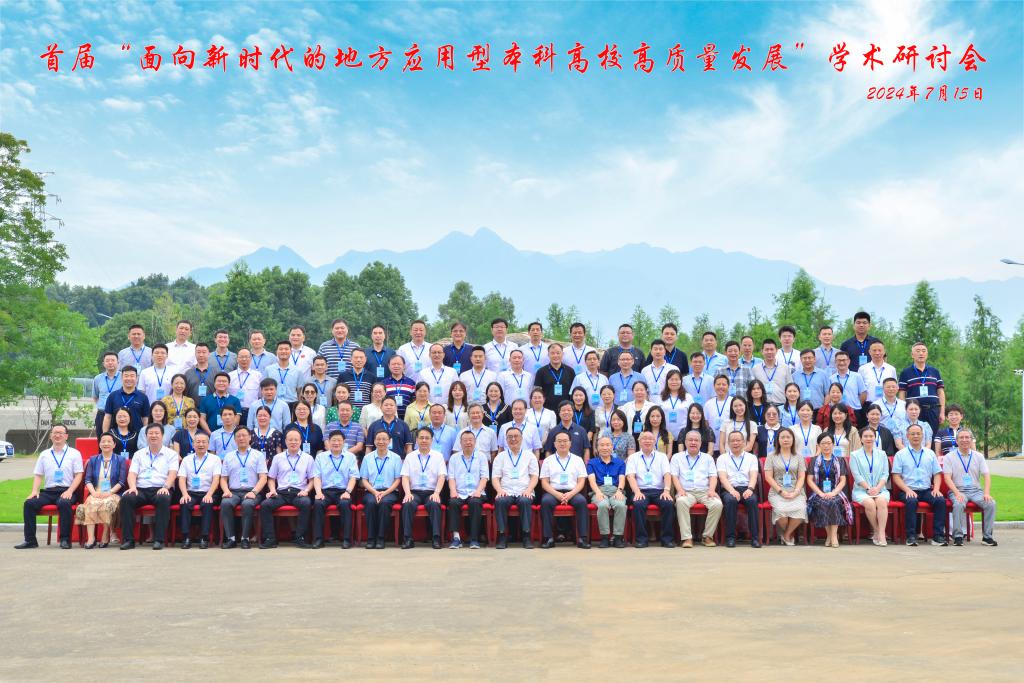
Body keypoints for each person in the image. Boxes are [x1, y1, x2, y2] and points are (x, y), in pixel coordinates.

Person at [15, 425, 83, 550]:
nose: (57, 435)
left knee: (64, 503)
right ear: (50, 435)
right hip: (49, 492)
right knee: (29, 503)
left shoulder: (74, 453)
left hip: (67, 490)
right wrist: (34, 491)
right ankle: (30, 540)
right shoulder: (44, 454)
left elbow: (79, 474)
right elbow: (38, 474)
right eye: (55, 432)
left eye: (61, 433)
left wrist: (70, 491)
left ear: (66, 436)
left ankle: (65, 539)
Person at [119, 423, 178, 550]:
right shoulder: (139, 454)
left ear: (162, 436)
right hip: (141, 489)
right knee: (127, 498)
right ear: (146, 436)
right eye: (150, 433)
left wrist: (166, 487)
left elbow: (173, 473)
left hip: (161, 488)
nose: (153, 436)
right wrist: (132, 487)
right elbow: (132, 473)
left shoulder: (171, 454)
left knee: (163, 498)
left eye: (157, 433)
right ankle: (128, 540)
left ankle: (159, 540)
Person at [892, 424, 948, 547]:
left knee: (940, 500)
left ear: (922, 435)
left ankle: (938, 536)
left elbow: (937, 474)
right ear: (907, 436)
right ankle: (911, 536)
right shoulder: (900, 454)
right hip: (907, 489)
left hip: (926, 490)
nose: (916, 436)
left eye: (918, 433)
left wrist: (936, 489)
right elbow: (896, 476)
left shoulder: (930, 453)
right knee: (911, 501)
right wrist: (907, 490)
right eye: (912, 434)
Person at [259, 428, 315, 549]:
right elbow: (271, 478)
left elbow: (312, 480)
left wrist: (306, 491)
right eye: (290, 440)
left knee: (306, 503)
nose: (293, 442)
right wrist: (272, 490)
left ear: (300, 441)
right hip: (281, 493)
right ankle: (270, 538)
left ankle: (300, 537)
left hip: (299, 492)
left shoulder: (308, 458)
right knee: (265, 505)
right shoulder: (278, 457)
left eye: (296, 440)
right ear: (285, 441)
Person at [943, 429, 997, 547]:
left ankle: (987, 537)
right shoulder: (949, 457)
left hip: (976, 491)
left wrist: (986, 493)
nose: (964, 440)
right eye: (961, 438)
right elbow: (947, 478)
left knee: (991, 503)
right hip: (958, 490)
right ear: (957, 441)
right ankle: (958, 536)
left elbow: (986, 476)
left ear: (972, 440)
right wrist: (957, 493)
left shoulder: (979, 456)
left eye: (967, 437)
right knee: (958, 504)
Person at [539, 432, 590, 548]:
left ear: (570, 443)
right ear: (554, 444)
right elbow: (544, 483)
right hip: (553, 491)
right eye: (559, 441)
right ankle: (548, 538)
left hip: (572, 491)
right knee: (545, 502)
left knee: (582, 502)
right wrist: (557, 494)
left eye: (565, 441)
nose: (562, 443)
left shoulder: (578, 460)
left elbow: (581, 482)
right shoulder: (548, 460)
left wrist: (571, 494)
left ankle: (582, 538)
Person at [671, 430, 722, 548]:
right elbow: (674, 476)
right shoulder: (677, 457)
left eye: (696, 440)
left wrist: (712, 490)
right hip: (686, 492)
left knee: (717, 504)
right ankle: (687, 538)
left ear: (700, 443)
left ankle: (707, 536)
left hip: (705, 491)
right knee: (681, 502)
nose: (693, 442)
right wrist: (680, 490)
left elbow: (713, 476)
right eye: (690, 440)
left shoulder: (708, 458)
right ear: (685, 442)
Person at [219, 426, 267, 549]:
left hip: (252, 491)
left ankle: (245, 538)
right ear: (234, 439)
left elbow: (263, 478)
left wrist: (254, 492)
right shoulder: (229, 456)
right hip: (233, 492)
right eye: (238, 436)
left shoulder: (258, 455)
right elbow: (223, 478)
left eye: (244, 435)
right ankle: (231, 538)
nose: (241, 438)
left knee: (247, 504)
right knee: (225, 503)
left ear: (250, 437)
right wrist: (226, 491)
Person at [491, 427, 539, 549]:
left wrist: (528, 490)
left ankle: (526, 536)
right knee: (500, 501)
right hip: (505, 491)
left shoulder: (530, 456)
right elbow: (495, 477)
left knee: (525, 501)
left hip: (524, 490)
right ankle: (502, 536)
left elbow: (534, 476)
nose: (513, 439)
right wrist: (499, 490)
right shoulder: (500, 457)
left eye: (516, 436)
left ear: (522, 438)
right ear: (506, 440)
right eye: (510, 437)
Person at [77, 433, 128, 548]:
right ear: (99, 444)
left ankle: (105, 535)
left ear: (114, 445)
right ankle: (91, 538)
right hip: (96, 492)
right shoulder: (93, 460)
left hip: (113, 492)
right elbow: (88, 480)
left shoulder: (120, 460)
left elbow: (121, 481)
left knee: (107, 504)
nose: (106, 444)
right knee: (90, 503)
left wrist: (110, 492)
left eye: (109, 441)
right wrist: (93, 493)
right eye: (103, 441)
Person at [627, 431, 676, 548]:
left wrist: (666, 491)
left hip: (659, 491)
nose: (647, 441)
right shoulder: (633, 457)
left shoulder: (662, 457)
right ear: (639, 441)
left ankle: (667, 539)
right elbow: (630, 476)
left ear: (654, 442)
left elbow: (667, 474)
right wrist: (637, 492)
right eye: (644, 438)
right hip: (641, 490)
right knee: (638, 504)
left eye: (650, 439)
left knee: (668, 504)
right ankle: (641, 539)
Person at [311, 430, 359, 549]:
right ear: (328, 442)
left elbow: (353, 477)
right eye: (333, 440)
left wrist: (347, 492)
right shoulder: (321, 457)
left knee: (345, 503)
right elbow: (317, 476)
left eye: (339, 440)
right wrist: (318, 493)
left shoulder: (350, 457)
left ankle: (347, 539)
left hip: (343, 491)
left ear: (344, 442)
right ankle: (319, 539)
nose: (336, 443)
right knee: (318, 503)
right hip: (326, 491)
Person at [400, 428, 447, 549]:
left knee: (434, 504)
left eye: (427, 438)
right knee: (408, 504)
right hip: (414, 492)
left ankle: (436, 538)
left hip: (431, 491)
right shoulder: (410, 457)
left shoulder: (438, 456)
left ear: (432, 440)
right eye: (421, 438)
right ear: (416, 440)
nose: (424, 440)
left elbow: (442, 476)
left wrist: (437, 493)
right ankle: (408, 539)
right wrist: (407, 493)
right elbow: (405, 476)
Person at [359, 430, 404, 549]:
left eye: (384, 439)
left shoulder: (396, 458)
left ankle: (381, 538)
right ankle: (371, 538)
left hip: (390, 491)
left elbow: (397, 480)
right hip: (371, 491)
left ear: (389, 441)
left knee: (384, 503)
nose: (381, 441)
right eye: (378, 439)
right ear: (374, 441)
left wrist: (385, 493)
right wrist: (375, 492)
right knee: (370, 503)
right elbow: (364, 480)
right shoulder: (367, 458)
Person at [806, 433, 853, 547]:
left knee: (833, 501)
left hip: (836, 492)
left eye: (828, 443)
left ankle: (833, 536)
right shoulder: (814, 460)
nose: (826, 446)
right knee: (824, 502)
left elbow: (843, 480)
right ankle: (830, 535)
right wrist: (820, 493)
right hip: (818, 492)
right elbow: (809, 480)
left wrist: (833, 492)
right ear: (818, 445)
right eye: (823, 443)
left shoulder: (839, 460)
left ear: (833, 445)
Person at [763, 427, 807, 546]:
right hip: (777, 491)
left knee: (801, 509)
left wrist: (796, 491)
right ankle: (789, 534)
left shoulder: (799, 456)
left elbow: (801, 477)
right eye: (782, 437)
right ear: (778, 440)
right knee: (780, 510)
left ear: (793, 440)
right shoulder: (771, 456)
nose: (786, 440)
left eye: (788, 437)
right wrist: (781, 491)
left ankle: (786, 535)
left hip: (796, 491)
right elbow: (768, 477)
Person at [717, 430, 761, 548]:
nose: (735, 443)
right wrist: (732, 490)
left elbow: (754, 475)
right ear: (728, 443)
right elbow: (722, 478)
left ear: (744, 442)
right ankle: (730, 538)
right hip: (729, 488)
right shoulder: (722, 458)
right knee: (730, 501)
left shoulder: (751, 457)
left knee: (752, 501)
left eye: (738, 440)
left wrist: (750, 489)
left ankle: (755, 538)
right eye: (732, 441)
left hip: (747, 488)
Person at [446, 430, 490, 549]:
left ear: (475, 442)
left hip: (477, 491)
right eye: (465, 440)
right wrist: (453, 491)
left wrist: (478, 491)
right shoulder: (454, 458)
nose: (468, 442)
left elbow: (484, 477)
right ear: (460, 443)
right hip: (459, 492)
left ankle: (474, 538)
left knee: (475, 502)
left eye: (470, 440)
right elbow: (451, 477)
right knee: (453, 503)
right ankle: (456, 538)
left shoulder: (481, 457)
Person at [177, 431, 220, 549]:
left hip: (209, 492)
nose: (201, 444)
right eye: (198, 442)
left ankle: (204, 538)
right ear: (193, 444)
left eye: (204, 442)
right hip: (191, 492)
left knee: (207, 503)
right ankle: (186, 537)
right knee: (185, 502)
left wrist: (209, 494)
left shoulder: (215, 459)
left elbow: (216, 479)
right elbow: (182, 478)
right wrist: (184, 494)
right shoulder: (187, 459)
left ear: (208, 444)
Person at [850, 425, 891, 546]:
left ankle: (882, 533)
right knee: (870, 503)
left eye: (871, 436)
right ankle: (876, 530)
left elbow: (885, 474)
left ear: (875, 437)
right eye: (865, 436)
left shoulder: (882, 454)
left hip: (880, 489)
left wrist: (877, 488)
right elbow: (856, 475)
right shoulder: (854, 455)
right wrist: (868, 488)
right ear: (861, 438)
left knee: (881, 502)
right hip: (861, 490)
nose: (868, 438)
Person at [585, 436, 627, 548]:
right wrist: (598, 492)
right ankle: (605, 537)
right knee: (603, 505)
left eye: (608, 445)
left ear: (612, 447)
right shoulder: (592, 462)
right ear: (597, 447)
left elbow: (622, 479)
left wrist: (619, 491)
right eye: (602, 445)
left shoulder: (620, 462)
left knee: (620, 505)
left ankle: (618, 537)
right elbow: (591, 480)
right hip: (599, 490)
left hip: (615, 490)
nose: (605, 448)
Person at [898, 342, 945, 435]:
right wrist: (904, 411)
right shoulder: (905, 372)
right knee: (915, 436)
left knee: (932, 437)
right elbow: (902, 394)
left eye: (923, 351)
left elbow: (940, 392)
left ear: (927, 354)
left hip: (933, 410)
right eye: (918, 351)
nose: (921, 353)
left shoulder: (934, 371)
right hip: (914, 411)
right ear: (912, 355)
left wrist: (942, 412)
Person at [534, 343, 576, 411]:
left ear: (562, 354)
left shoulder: (570, 371)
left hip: (566, 410)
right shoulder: (541, 372)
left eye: (558, 353)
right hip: (547, 410)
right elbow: (537, 392)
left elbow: (574, 392)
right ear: (548, 355)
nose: (555, 355)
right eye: (552, 353)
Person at [752, 338, 792, 406]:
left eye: (772, 349)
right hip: (763, 406)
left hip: (781, 405)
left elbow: (790, 387)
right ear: (762, 351)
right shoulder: (755, 369)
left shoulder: (785, 368)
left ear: (776, 351)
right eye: (767, 349)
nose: (769, 352)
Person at [858, 340, 897, 409]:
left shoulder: (891, 369)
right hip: (868, 405)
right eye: (874, 350)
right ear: (870, 352)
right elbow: (859, 390)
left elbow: (895, 388)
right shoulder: (862, 369)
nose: (877, 353)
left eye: (879, 350)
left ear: (884, 352)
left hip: (887, 404)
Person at [92, 352, 122, 436]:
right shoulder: (98, 378)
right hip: (102, 414)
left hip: (118, 415)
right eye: (107, 360)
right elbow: (95, 397)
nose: (110, 362)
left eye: (113, 360)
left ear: (118, 363)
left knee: (118, 440)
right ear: (103, 363)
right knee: (102, 439)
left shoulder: (123, 377)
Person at [830, 351, 868, 416]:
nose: (841, 363)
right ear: (835, 362)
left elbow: (863, 393)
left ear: (849, 361)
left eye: (844, 360)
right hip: (837, 413)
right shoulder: (831, 378)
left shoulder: (857, 376)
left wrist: (857, 405)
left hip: (854, 411)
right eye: (839, 360)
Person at [874, 378, 908, 445]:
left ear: (897, 388)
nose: (891, 389)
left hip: (901, 436)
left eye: (893, 387)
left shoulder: (904, 404)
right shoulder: (876, 405)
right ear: (883, 389)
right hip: (882, 435)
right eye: (888, 387)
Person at [382, 355, 417, 419]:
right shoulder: (383, 383)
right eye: (393, 364)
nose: (396, 366)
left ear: (404, 366)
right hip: (389, 417)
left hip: (407, 418)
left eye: (399, 364)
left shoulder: (411, 383)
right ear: (389, 366)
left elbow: (414, 401)